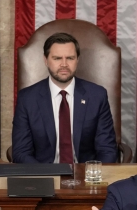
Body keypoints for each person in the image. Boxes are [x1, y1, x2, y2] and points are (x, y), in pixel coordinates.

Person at [12, 32, 118, 163]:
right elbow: (21, 152)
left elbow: (107, 149)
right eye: (57, 58)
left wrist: (93, 176)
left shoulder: (97, 95)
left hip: (87, 176)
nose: (64, 64)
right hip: (44, 175)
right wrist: (45, 176)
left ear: (77, 60)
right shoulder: (27, 99)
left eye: (70, 58)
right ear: (46, 60)